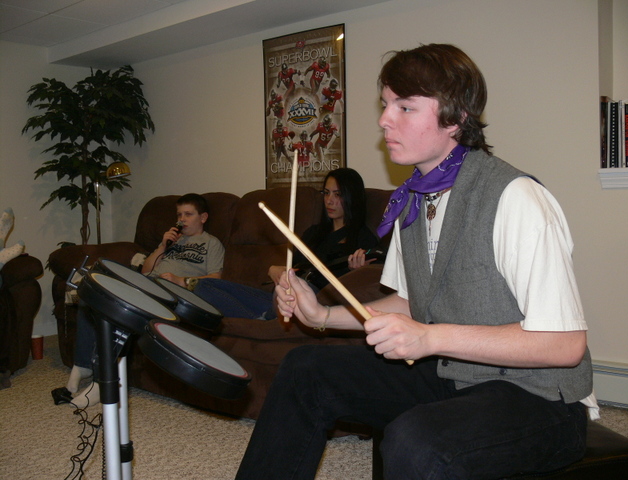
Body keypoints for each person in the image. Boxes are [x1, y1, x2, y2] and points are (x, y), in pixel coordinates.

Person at [235, 44, 597, 480]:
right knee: (305, 369)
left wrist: (430, 337)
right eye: (386, 104)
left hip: (540, 398)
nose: (385, 119)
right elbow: (411, 304)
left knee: (415, 441)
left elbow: (565, 344)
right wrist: (324, 315)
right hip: (452, 375)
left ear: (455, 118)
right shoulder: (413, 200)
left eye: (405, 107)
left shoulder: (515, 198)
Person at [52, 193, 225, 408]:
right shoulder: (172, 241)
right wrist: (162, 247)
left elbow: (216, 279)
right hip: (146, 284)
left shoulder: (211, 243)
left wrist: (180, 280)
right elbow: (145, 270)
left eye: (188, 214)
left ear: (203, 217)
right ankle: (82, 365)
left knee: (117, 310)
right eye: (179, 215)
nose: (182, 220)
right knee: (92, 297)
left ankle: (102, 382)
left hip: (172, 293)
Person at [194, 167, 380, 320]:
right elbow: (294, 268)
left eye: (337, 194)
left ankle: (265, 318)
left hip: (313, 300)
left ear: (352, 197)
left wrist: (357, 272)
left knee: (294, 290)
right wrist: (275, 270)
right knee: (205, 286)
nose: (329, 200)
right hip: (283, 297)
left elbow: (368, 284)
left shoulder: (363, 239)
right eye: (326, 193)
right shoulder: (314, 233)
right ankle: (263, 319)